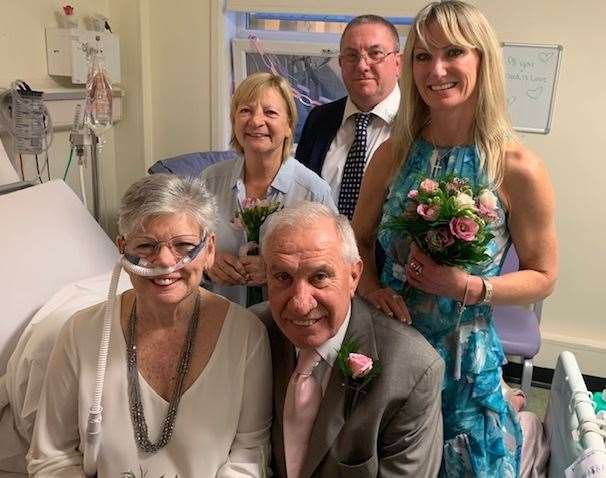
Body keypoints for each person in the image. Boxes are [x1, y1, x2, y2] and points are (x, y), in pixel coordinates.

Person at [353, 2, 558, 476]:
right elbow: (358, 240)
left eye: (453, 52)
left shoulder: (517, 167)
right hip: (391, 350)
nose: (436, 69)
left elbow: (544, 276)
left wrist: (470, 287)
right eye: (422, 56)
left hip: (465, 364)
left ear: (482, 60)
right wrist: (372, 290)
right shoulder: (393, 154)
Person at [27, 174, 272, 477]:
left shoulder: (246, 336)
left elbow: (250, 453)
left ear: (209, 249)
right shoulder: (80, 335)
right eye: (145, 245)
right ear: (122, 248)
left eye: (183, 245)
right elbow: (52, 456)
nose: (165, 261)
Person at [253, 202, 444, 477]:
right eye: (283, 276)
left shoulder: (413, 370)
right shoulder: (252, 334)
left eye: (319, 277)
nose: (300, 304)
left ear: (354, 275)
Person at [201, 72, 335, 307]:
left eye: (270, 112)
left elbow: (334, 268)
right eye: (245, 111)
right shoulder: (208, 182)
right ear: (234, 121)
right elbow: (183, 253)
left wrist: (280, 272)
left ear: (289, 127)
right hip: (221, 320)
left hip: (289, 325)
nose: (256, 121)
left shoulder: (313, 192)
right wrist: (206, 261)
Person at [296, 15, 401, 219]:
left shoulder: (421, 123)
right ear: (341, 63)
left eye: (375, 53)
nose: (362, 65)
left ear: (398, 63)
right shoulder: (319, 120)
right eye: (352, 56)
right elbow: (300, 197)